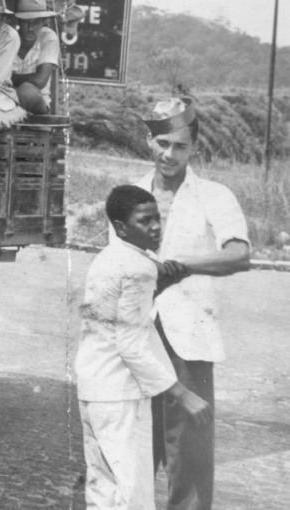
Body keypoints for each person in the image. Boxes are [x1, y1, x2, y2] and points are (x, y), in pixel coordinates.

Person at [133, 98, 250, 510]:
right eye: (162, 143)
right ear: (149, 141)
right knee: (133, 451)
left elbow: (238, 255)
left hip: (190, 337)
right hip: (137, 335)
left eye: (180, 147)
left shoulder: (214, 195)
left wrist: (178, 267)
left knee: (190, 458)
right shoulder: (131, 193)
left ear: (194, 148)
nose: (169, 154)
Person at [77, 184, 213, 510]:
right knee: (132, 497)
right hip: (120, 396)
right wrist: (183, 394)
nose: (155, 228)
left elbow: (118, 313)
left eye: (157, 219)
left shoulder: (112, 257)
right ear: (121, 227)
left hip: (94, 389)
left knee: (103, 491)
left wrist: (162, 280)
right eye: (144, 221)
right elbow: (131, 346)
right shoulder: (138, 268)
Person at [10, 0, 61, 115]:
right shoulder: (9, 37)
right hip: (8, 98)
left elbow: (40, 81)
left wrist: (7, 78)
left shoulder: (48, 37)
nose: (31, 28)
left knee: (26, 91)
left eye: (36, 22)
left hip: (36, 103)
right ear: (19, 21)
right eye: (26, 22)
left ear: (44, 22)